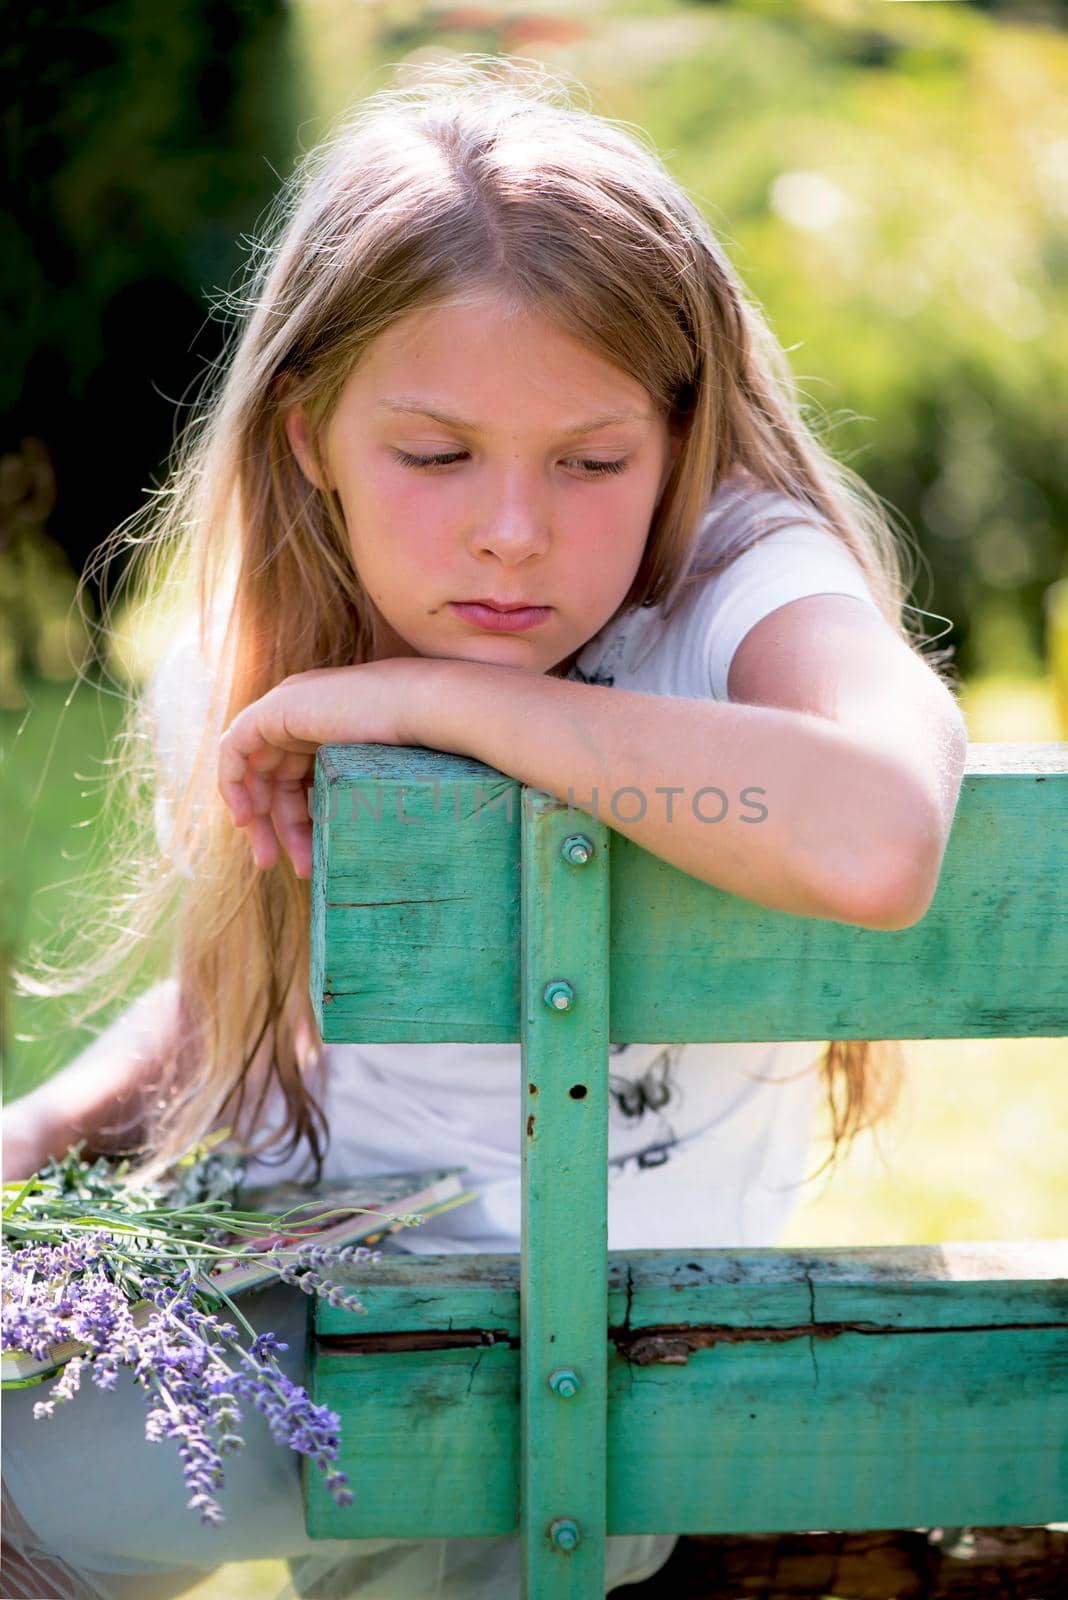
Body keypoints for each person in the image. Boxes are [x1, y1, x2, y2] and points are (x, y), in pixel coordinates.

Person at [1, 54, 969, 1600]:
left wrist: (442, 700)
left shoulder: (733, 581)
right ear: (308, 432)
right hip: (321, 1301)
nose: (512, 530)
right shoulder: (263, 659)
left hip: (593, 1352)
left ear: (679, 439)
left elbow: (881, 835)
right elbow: (265, 1000)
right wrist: (43, 1135)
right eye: (436, 456)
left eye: (591, 463)